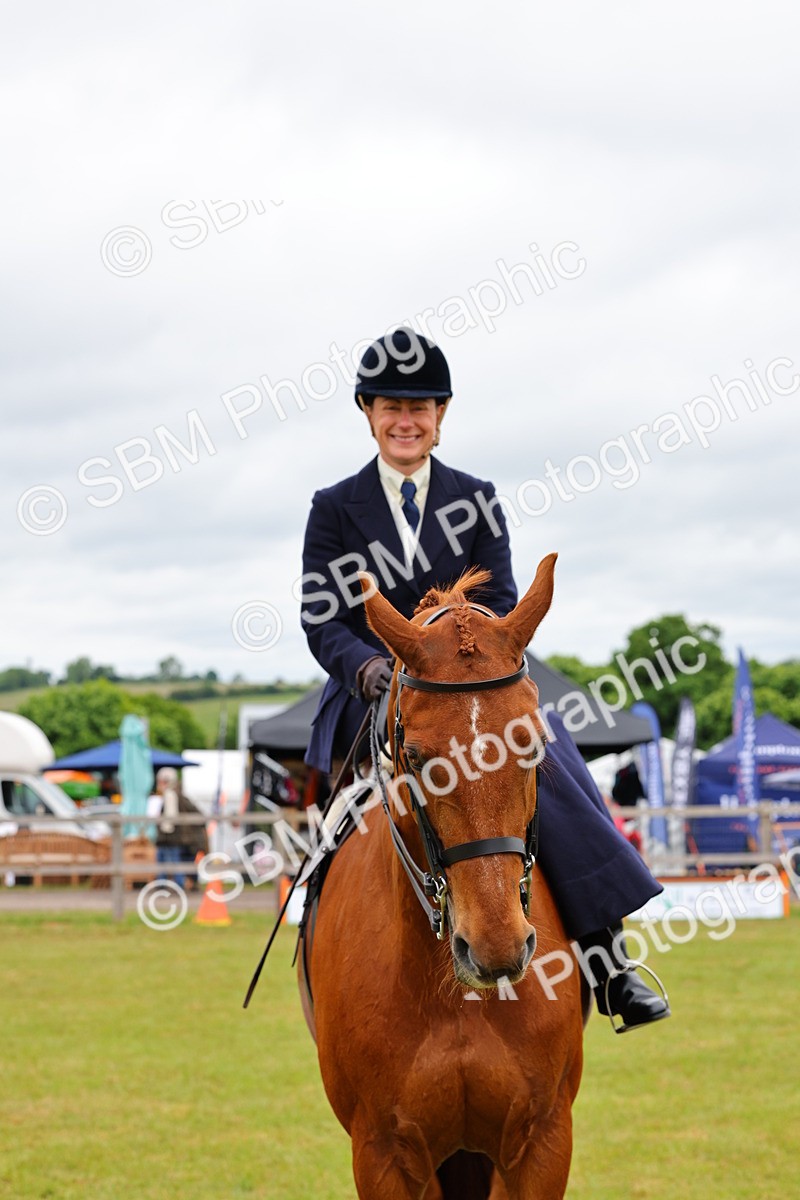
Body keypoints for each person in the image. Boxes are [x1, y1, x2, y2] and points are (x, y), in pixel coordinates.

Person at [300, 329, 670, 1031]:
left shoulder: (477, 496)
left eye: (420, 407)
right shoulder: (334, 506)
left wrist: (464, 654)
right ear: (369, 414)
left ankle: (608, 960)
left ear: (440, 415)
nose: (405, 420)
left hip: (471, 685)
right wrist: (373, 666)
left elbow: (499, 597)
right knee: (336, 832)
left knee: (551, 762)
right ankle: (316, 945)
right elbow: (320, 618)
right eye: (390, 407)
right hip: (371, 689)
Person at [154, 767, 208, 889]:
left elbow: (169, 821)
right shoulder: (178, 795)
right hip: (176, 838)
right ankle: (167, 884)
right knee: (172, 862)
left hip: (172, 838)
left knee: (173, 862)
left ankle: (175, 885)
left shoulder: (171, 795)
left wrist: (164, 834)